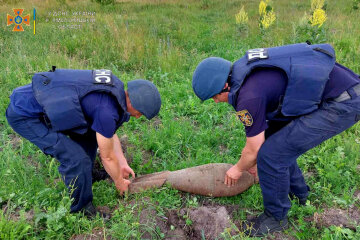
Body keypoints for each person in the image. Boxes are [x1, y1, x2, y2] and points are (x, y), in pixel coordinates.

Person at [192, 43, 360, 237]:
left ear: (225, 86)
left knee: (272, 155)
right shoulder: (242, 70)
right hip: (337, 88)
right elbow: (260, 135)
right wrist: (252, 160)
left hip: (342, 102)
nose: (215, 101)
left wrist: (239, 168)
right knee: (274, 140)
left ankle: (276, 218)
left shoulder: (248, 97)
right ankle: (299, 195)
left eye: (214, 97)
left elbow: (254, 149)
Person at [6, 67, 161, 219]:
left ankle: (87, 174)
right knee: (75, 158)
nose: (138, 117)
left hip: (46, 102)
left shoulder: (116, 91)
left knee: (91, 134)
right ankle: (82, 209)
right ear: (132, 102)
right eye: (140, 113)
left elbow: (109, 133)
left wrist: (122, 163)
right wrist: (119, 181)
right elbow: (107, 157)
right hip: (25, 114)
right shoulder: (107, 110)